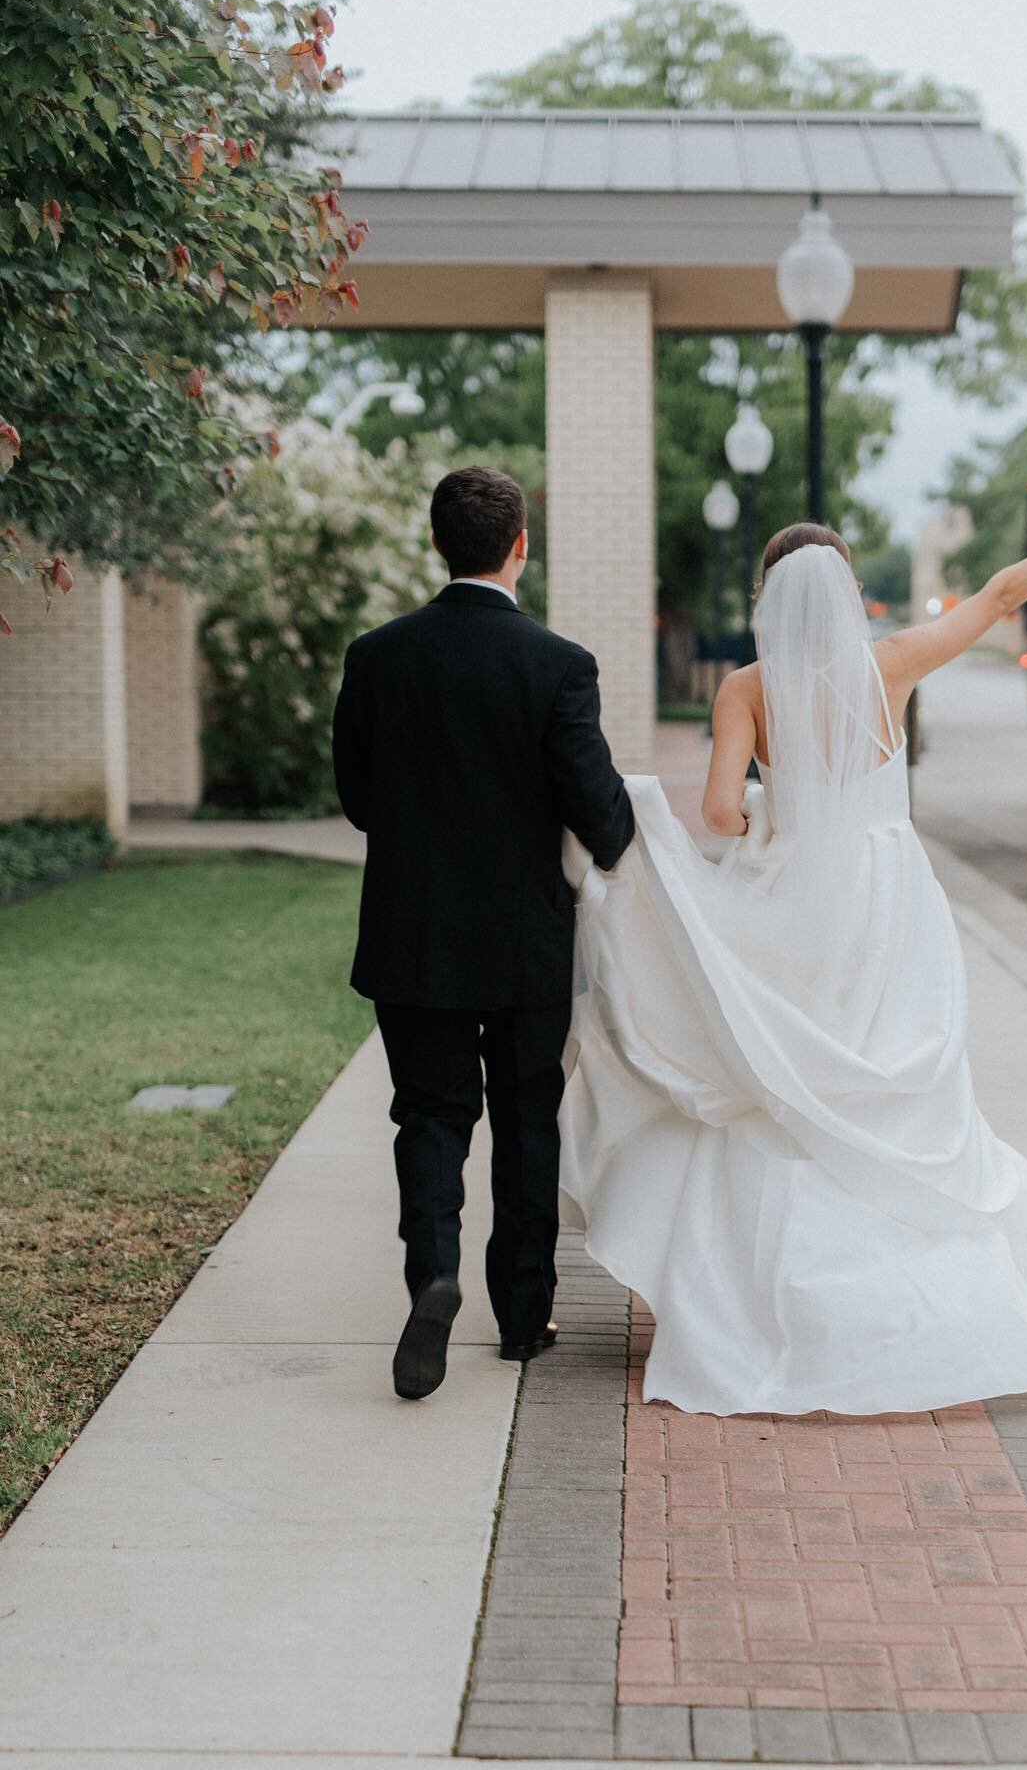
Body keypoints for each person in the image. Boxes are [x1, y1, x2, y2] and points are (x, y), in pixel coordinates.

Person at [559, 504, 1027, 1416]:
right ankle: (907, 1292)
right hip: (886, 900)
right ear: (849, 596)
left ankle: (771, 1297)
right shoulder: (892, 664)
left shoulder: (745, 690)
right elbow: (1001, 592)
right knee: (887, 1079)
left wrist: (774, 815)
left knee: (787, 1085)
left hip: (791, 894)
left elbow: (716, 813)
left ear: (766, 599)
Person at [332, 466, 634, 1401]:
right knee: (522, 1120)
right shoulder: (558, 665)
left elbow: (357, 803)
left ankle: (432, 1273)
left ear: (437, 544)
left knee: (427, 1115)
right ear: (521, 545)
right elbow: (608, 824)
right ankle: (522, 1319)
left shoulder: (376, 656)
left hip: (411, 932)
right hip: (522, 944)